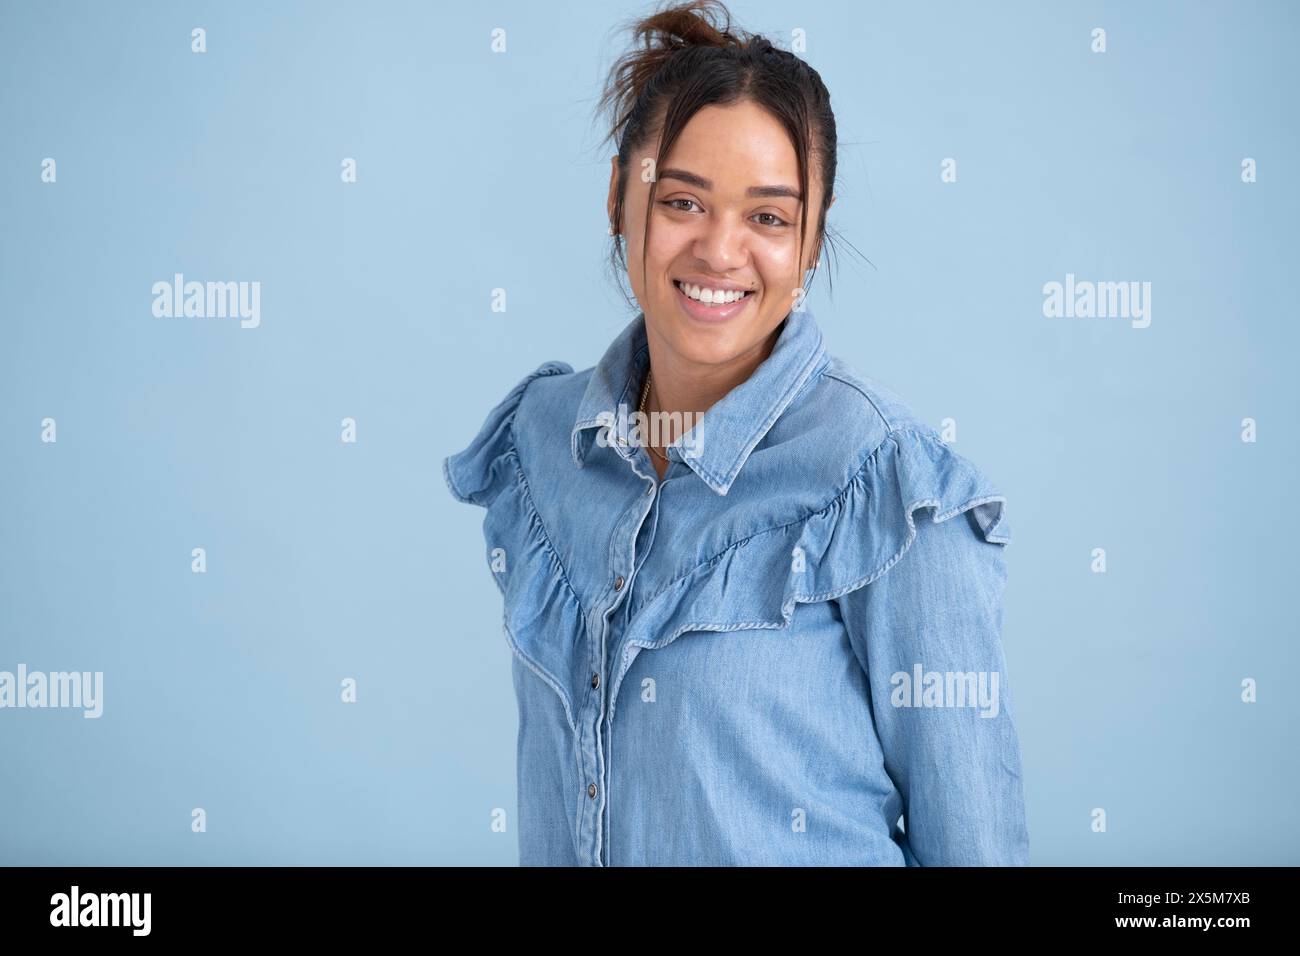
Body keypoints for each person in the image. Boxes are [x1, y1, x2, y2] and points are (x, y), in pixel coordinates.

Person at [444, 0, 1029, 866]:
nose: (720, 252)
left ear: (811, 244)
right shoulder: (545, 442)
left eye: (769, 217)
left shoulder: (889, 488)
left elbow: (975, 841)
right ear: (618, 198)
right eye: (683, 200)